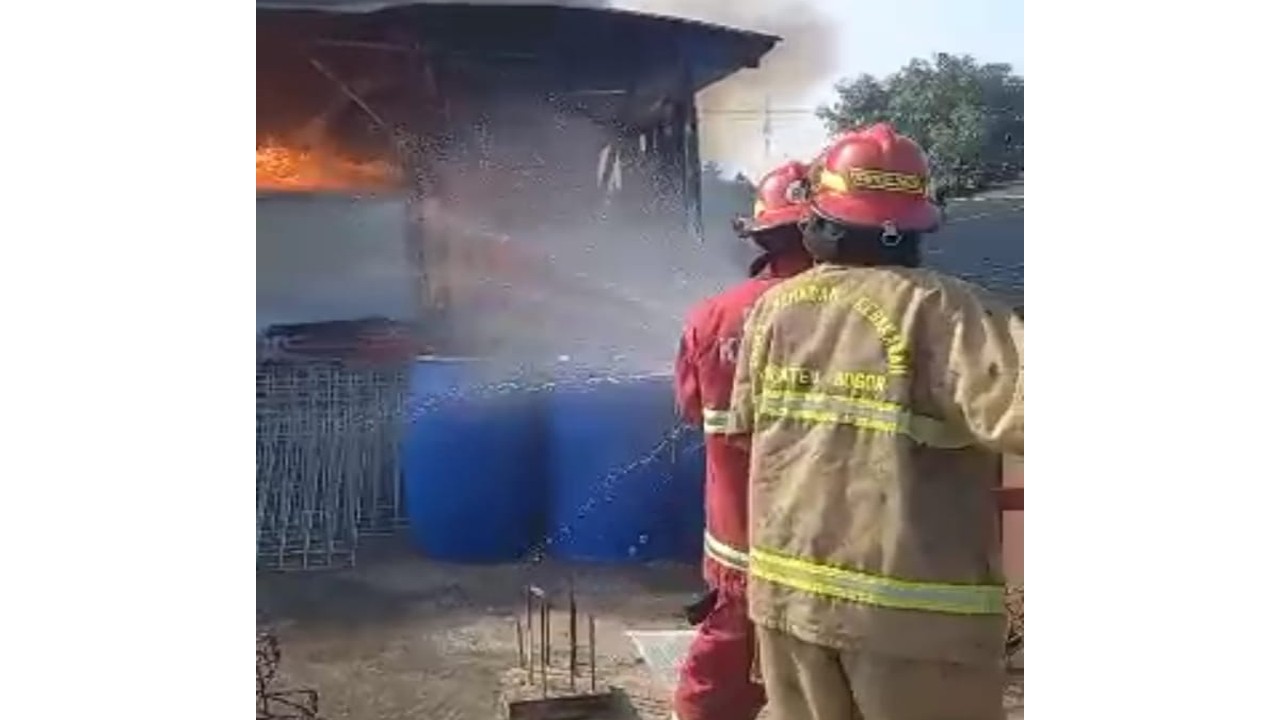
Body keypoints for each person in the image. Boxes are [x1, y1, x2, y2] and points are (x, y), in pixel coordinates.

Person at [725, 123, 1024, 720]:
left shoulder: (773, 310)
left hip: (790, 600)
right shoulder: (952, 312)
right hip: (911, 621)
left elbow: (744, 428)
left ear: (821, 220)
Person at [671, 161, 815, 720]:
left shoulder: (714, 315)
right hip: (838, 552)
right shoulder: (863, 316)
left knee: (718, 682)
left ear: (760, 234)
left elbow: (690, 407)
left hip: (742, 542)